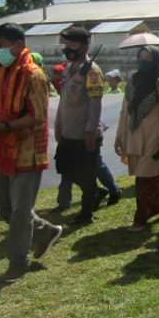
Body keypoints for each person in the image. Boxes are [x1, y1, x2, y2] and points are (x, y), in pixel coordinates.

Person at [0, 24, 63, 279]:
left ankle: (17, 262)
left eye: (1, 46)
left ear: (18, 44)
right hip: (2, 146)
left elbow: (38, 117)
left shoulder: (34, 75)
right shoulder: (2, 74)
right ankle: (45, 231)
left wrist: (6, 125)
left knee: (20, 210)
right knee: (0, 202)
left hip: (28, 150)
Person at [115, 46, 159, 231]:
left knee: (145, 178)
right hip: (134, 138)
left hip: (153, 139)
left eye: (147, 59)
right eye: (140, 58)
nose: (143, 63)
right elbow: (125, 112)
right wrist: (119, 136)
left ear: (156, 62)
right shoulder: (133, 83)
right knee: (152, 178)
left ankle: (141, 218)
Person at [53, 25, 106, 225]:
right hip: (68, 131)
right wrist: (58, 126)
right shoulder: (69, 68)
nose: (67, 48)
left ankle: (86, 213)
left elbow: (95, 104)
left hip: (85, 133)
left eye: (71, 44)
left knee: (86, 172)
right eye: (65, 44)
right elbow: (64, 101)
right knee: (65, 167)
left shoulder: (92, 71)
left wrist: (91, 131)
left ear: (83, 46)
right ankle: (94, 190)